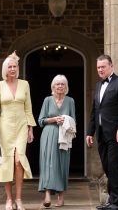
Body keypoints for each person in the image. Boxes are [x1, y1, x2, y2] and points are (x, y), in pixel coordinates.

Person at [0, 52, 36, 210]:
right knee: (7, 162)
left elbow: (28, 108)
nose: (13, 69)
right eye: (10, 67)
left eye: (15, 66)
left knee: (18, 161)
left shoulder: (25, 84)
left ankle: (19, 199)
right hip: (5, 127)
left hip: (22, 125)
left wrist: (30, 129)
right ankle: (9, 199)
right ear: (5, 69)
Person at [86, 55, 118, 210]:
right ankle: (111, 201)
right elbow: (95, 112)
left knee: (114, 166)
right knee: (106, 166)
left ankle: (116, 203)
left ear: (111, 66)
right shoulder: (99, 85)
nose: (100, 70)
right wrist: (89, 132)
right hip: (101, 134)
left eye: (103, 67)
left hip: (116, 134)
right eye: (98, 67)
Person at [38, 74, 76, 208]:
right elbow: (41, 121)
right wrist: (54, 119)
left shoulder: (70, 101)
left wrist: (65, 120)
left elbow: (74, 121)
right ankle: (47, 194)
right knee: (48, 163)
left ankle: (61, 195)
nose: (60, 86)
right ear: (53, 86)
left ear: (66, 87)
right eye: (57, 84)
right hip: (49, 134)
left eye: (63, 84)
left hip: (64, 136)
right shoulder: (47, 100)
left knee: (62, 164)